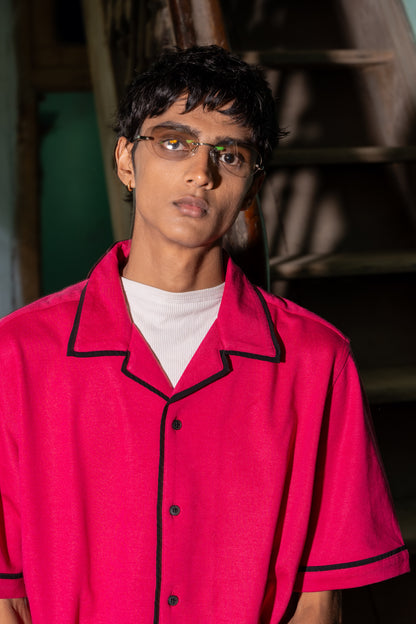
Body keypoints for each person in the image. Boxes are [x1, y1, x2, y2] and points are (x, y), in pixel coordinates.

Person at [0, 45, 409, 624]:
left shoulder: (315, 359)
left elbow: (318, 604)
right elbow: (4, 597)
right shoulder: (16, 353)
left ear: (250, 186)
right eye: (175, 142)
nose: (202, 171)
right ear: (125, 160)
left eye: (231, 154)